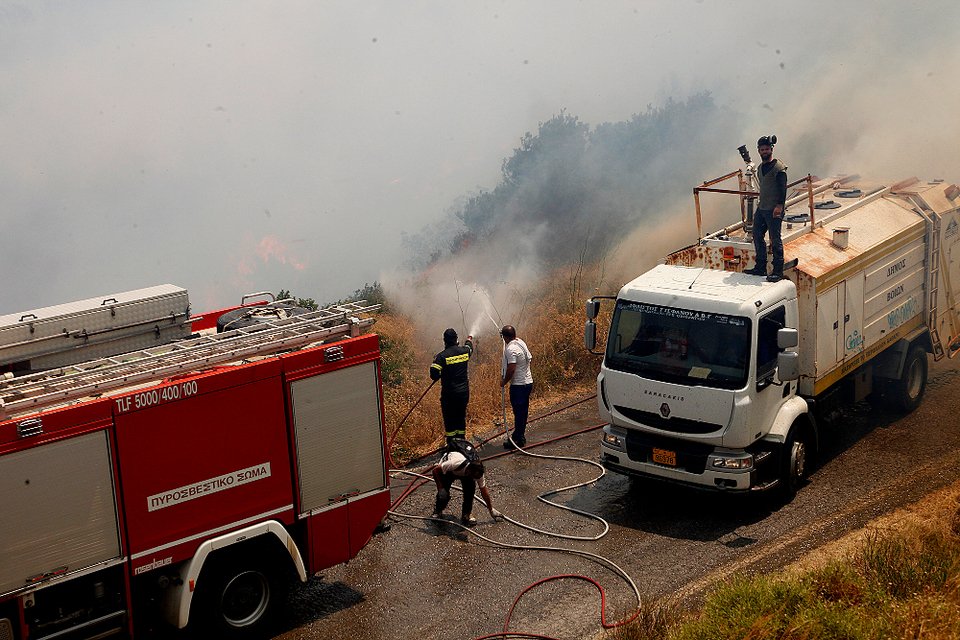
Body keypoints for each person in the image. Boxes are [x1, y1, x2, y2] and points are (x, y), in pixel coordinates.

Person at [745, 135, 788, 282]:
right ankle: (760, 267)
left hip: (774, 209)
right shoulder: (761, 168)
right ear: (758, 150)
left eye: (766, 149)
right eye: (762, 149)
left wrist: (779, 206)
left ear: (771, 149)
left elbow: (783, 189)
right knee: (757, 235)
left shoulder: (779, 168)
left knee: (775, 239)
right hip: (762, 208)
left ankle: (777, 271)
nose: (764, 151)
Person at [431, 445, 498, 526]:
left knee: (470, 491)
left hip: (465, 473)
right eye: (474, 477)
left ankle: (466, 515)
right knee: (443, 495)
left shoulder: (478, 472)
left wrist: (491, 509)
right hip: (450, 471)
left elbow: (484, 491)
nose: (475, 479)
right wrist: (440, 488)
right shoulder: (454, 463)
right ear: (469, 471)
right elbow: (435, 471)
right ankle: (438, 511)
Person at [430, 328, 474, 445]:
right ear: (456, 339)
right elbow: (470, 348)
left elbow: (434, 374)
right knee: (461, 417)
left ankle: (452, 444)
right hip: (463, 393)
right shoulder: (464, 352)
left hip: (449, 395)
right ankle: (461, 442)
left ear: (445, 341)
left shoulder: (441, 357)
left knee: (450, 419)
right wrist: (469, 339)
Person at [500, 325, 534, 449]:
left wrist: (504, 381)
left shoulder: (510, 349)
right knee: (522, 412)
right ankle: (519, 435)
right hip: (528, 383)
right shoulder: (521, 342)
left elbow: (512, 368)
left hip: (519, 386)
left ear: (505, 337)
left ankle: (517, 439)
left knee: (519, 413)